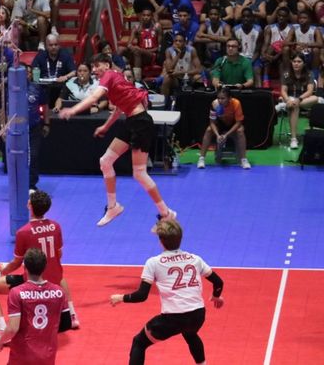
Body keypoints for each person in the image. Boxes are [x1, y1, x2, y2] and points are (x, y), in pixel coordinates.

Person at [59, 54, 176, 229]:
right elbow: (120, 108)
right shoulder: (117, 78)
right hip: (131, 121)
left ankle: (166, 213)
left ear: (106, 65)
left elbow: (93, 99)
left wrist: (72, 110)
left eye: (97, 66)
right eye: (93, 67)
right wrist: (106, 126)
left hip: (141, 123)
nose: (95, 70)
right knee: (105, 161)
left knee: (139, 173)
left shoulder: (109, 75)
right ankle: (113, 206)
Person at [109, 218, 224, 365]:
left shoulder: (154, 263)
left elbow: (142, 296)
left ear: (161, 241)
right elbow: (218, 282)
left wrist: (121, 297)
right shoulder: (195, 259)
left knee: (139, 342)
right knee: (190, 333)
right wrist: (216, 296)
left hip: (173, 319)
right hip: (197, 315)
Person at [0, 191, 77, 347]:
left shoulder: (23, 232)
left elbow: (17, 263)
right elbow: (59, 253)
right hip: (55, 282)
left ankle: (2, 331)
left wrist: (4, 269)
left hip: (33, 282)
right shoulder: (56, 226)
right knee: (60, 274)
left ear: (29, 205)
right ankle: (72, 314)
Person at [0, 248, 72, 360]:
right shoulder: (59, 292)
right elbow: (66, 324)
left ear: (25, 268)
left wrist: (0, 341)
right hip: (47, 355)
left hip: (23, 355)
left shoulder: (17, 293)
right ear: (45, 268)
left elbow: (12, 328)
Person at [197, 86, 250, 169]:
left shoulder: (236, 103)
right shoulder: (214, 104)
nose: (220, 101)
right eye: (218, 98)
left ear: (229, 98)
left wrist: (226, 135)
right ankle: (201, 158)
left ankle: (244, 159)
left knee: (240, 130)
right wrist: (218, 135)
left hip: (233, 125)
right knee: (209, 130)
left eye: (223, 98)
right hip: (220, 124)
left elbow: (238, 123)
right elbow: (212, 122)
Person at [277, 53, 320, 149]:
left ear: (304, 63)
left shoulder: (309, 74)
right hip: (290, 100)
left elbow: (309, 91)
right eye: (294, 61)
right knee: (294, 105)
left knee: (315, 98)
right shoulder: (286, 74)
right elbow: (283, 91)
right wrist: (288, 99)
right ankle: (293, 139)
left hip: (303, 100)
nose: (296, 64)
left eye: (299, 61)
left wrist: (299, 99)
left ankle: (285, 105)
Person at [121, 8, 161, 82]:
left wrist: (142, 50)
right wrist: (131, 47)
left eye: (148, 15)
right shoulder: (137, 28)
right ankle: (118, 73)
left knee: (137, 51)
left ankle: (137, 81)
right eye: (144, 15)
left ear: (152, 17)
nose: (146, 17)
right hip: (139, 53)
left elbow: (159, 47)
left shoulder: (157, 27)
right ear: (141, 16)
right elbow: (128, 44)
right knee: (121, 49)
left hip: (151, 55)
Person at [160, 33, 202, 98]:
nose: (177, 43)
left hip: (189, 77)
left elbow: (199, 69)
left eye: (180, 41)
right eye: (176, 41)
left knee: (198, 77)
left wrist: (181, 72)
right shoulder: (169, 51)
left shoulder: (192, 50)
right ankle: (164, 102)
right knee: (167, 78)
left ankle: (199, 101)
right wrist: (178, 55)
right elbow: (169, 70)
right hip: (176, 79)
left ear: (185, 42)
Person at [233, 8, 264, 82]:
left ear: (253, 18)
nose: (246, 18)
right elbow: (235, 50)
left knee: (257, 70)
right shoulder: (235, 30)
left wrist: (249, 63)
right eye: (243, 16)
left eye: (248, 16)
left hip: (254, 58)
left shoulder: (259, 30)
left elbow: (257, 51)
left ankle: (260, 92)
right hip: (240, 58)